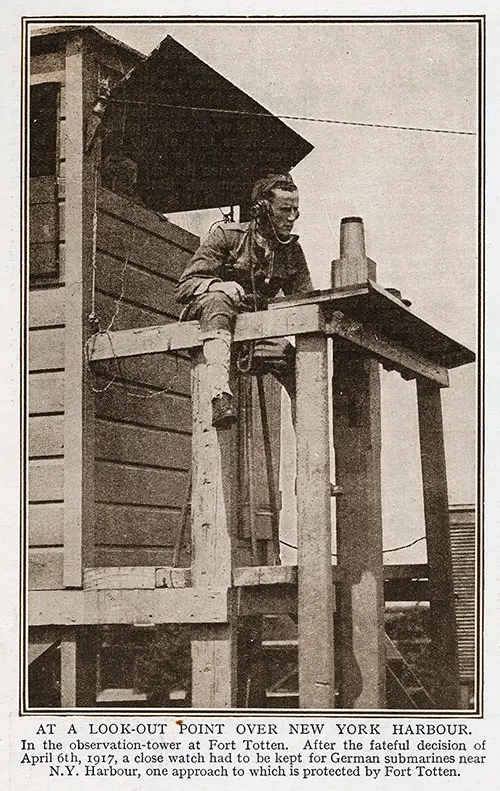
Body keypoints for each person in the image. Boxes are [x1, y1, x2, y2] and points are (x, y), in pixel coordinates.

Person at [176, 173, 314, 428]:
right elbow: (184, 287)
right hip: (213, 321)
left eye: (296, 209)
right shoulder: (227, 236)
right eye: (285, 209)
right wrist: (219, 285)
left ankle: (307, 450)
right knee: (218, 299)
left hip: (253, 333)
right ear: (262, 209)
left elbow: (305, 302)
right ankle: (219, 394)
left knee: (300, 370)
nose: (292, 217)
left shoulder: (291, 252)